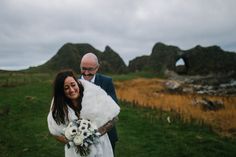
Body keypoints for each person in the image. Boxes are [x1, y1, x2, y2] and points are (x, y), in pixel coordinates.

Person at [47, 70, 120, 157]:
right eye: (66, 88)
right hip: (75, 153)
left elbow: (114, 117)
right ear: (61, 91)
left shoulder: (93, 94)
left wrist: (96, 134)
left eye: (73, 85)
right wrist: (75, 141)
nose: (71, 90)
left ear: (77, 83)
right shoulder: (59, 108)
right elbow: (54, 131)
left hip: (101, 147)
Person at [80, 53, 119, 152]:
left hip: (106, 134)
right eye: (83, 68)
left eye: (90, 69)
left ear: (97, 68)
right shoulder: (74, 83)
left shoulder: (107, 82)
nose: (86, 72)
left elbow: (113, 107)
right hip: (80, 136)